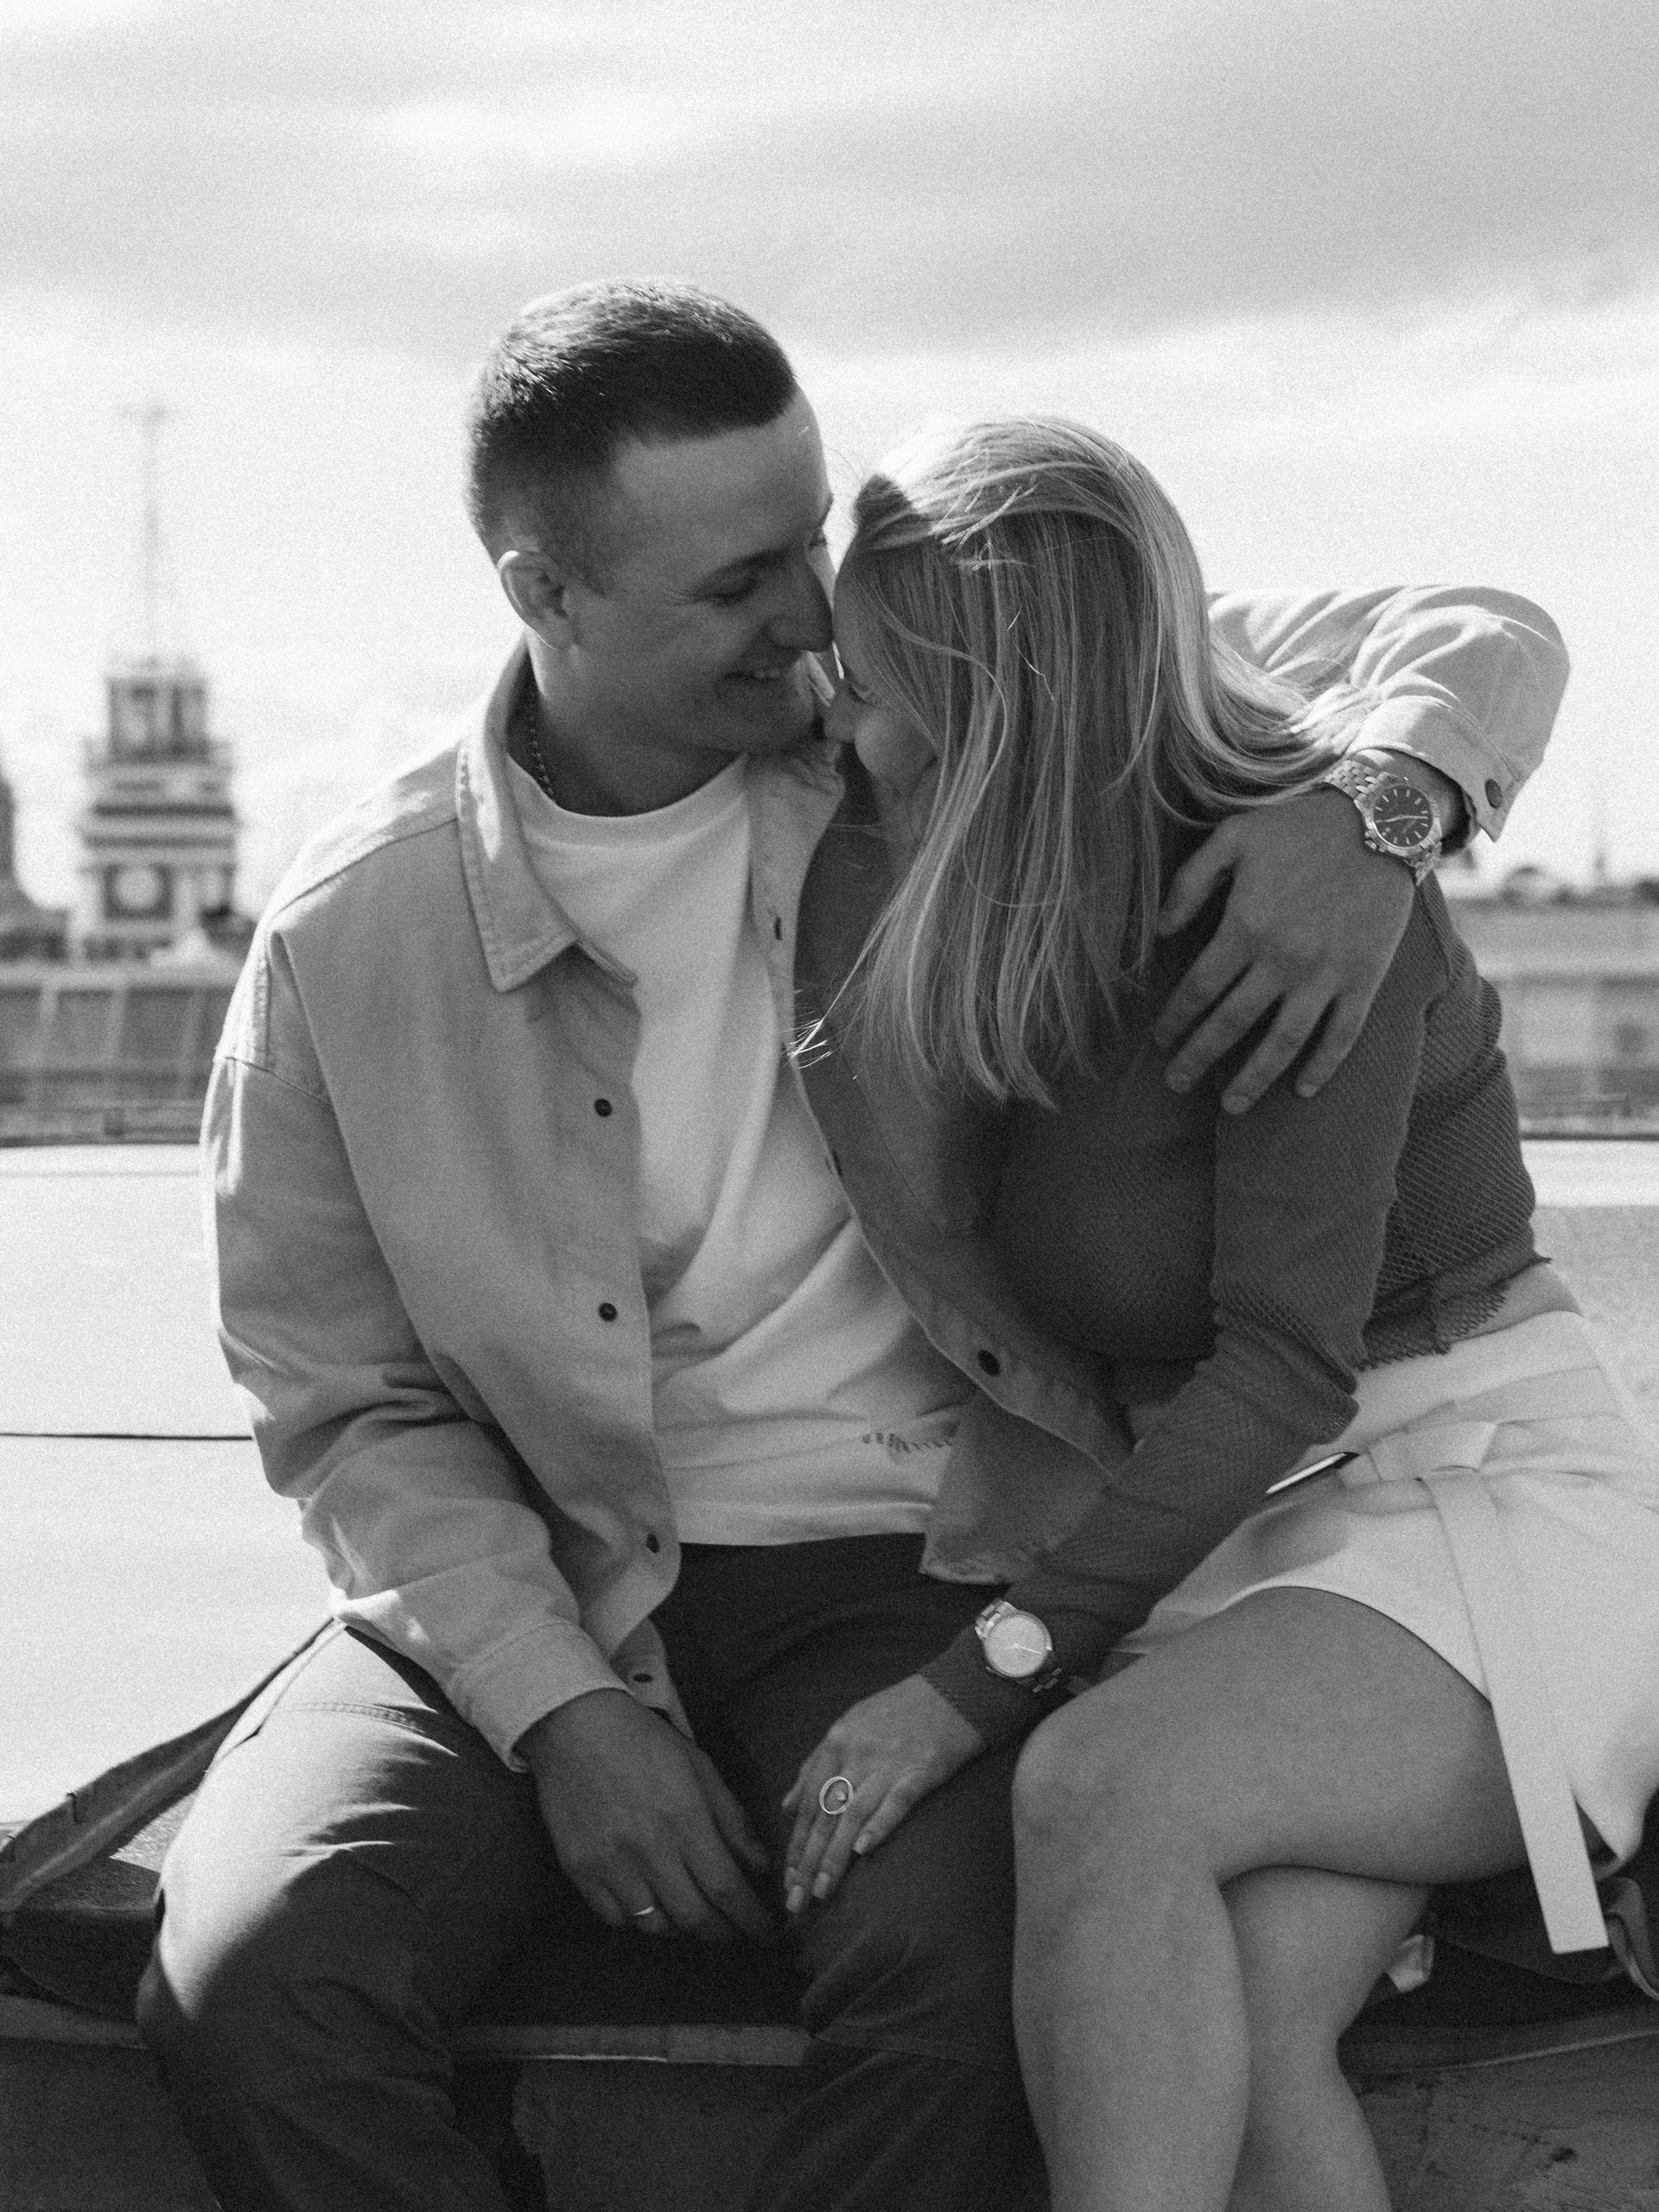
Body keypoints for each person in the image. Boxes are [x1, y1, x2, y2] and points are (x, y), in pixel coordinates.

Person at [137, 283, 1569, 2212]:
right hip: (541, 1567)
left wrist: (1377, 807)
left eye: (809, 537)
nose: (814, 615)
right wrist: (560, 1702)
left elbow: (1462, 633)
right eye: (739, 582)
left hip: (912, 1559)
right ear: (544, 591)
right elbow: (344, 1402)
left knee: (970, 1993)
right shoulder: (351, 938)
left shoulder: (940, 721)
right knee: (254, 1983)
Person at [789, 415, 1657, 2212]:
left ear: (996, 720)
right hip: (1248, 1537)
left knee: (1094, 1789)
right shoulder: (1003, 876)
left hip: (1475, 1507)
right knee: (1240, 2032)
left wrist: (966, 1687)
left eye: (871, 688)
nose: (837, 723)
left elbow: (1281, 1361)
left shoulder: (1290, 884)